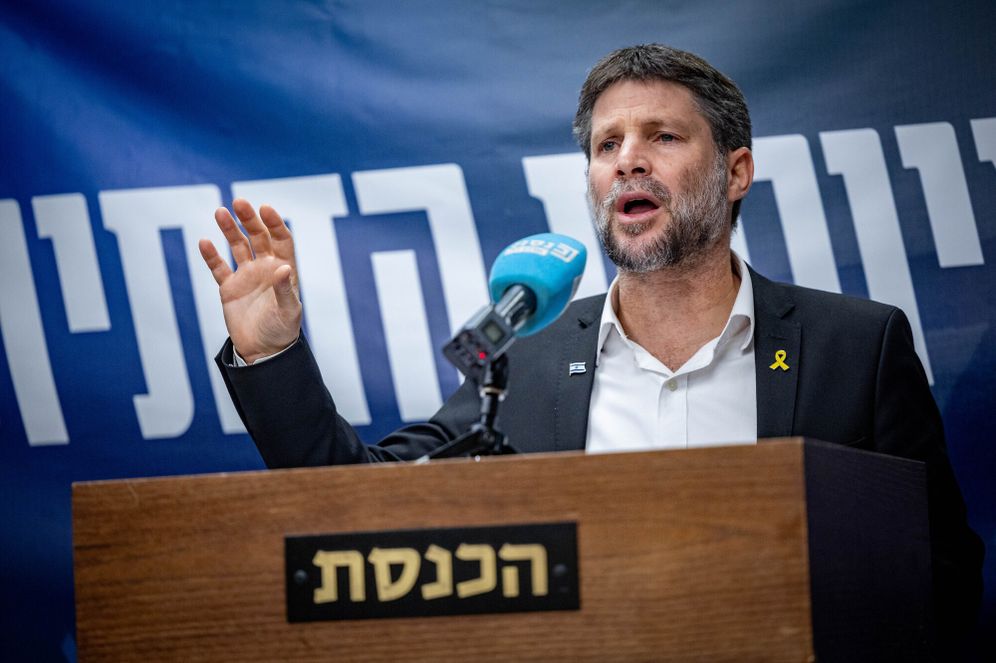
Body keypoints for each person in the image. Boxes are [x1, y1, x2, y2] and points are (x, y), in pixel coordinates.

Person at [199, 44, 982, 639]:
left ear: (736, 170)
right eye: (606, 146)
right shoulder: (525, 364)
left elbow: (940, 573)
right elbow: (353, 504)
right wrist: (273, 353)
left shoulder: (857, 344)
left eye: (662, 136)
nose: (627, 160)